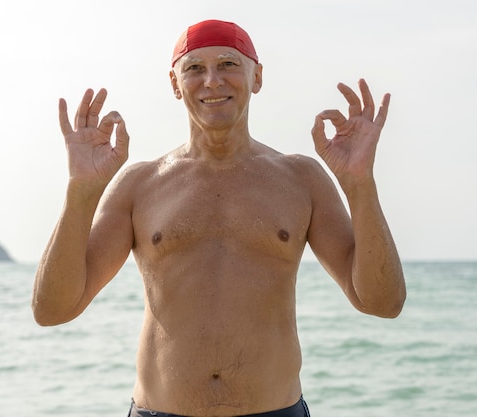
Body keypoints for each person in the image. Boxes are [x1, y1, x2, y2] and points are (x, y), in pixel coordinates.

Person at [32, 19, 406, 417]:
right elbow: (53, 310)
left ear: (256, 76)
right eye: (194, 68)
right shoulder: (140, 185)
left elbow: (382, 302)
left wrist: (359, 184)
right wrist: (81, 192)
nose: (212, 81)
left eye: (228, 64)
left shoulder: (301, 179)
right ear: (175, 84)